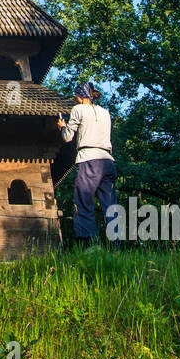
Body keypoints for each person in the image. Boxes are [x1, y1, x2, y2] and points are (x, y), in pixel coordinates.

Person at [57, 81, 121, 249]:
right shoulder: (105, 112)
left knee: (83, 201)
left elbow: (67, 137)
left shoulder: (78, 109)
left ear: (80, 95)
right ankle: (116, 246)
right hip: (108, 160)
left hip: (89, 159)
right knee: (110, 205)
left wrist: (62, 127)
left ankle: (91, 244)